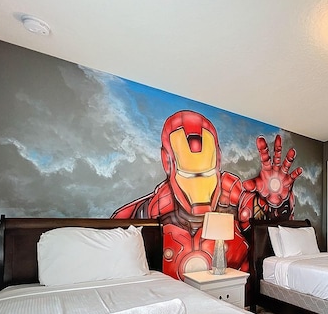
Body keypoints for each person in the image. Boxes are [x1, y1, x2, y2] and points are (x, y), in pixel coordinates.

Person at [112, 110, 302, 280]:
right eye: (189, 175)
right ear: (167, 162)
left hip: (236, 292)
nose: (199, 186)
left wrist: (277, 203)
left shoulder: (235, 196)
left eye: (207, 173)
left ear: (218, 159)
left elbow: (264, 224)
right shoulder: (145, 213)